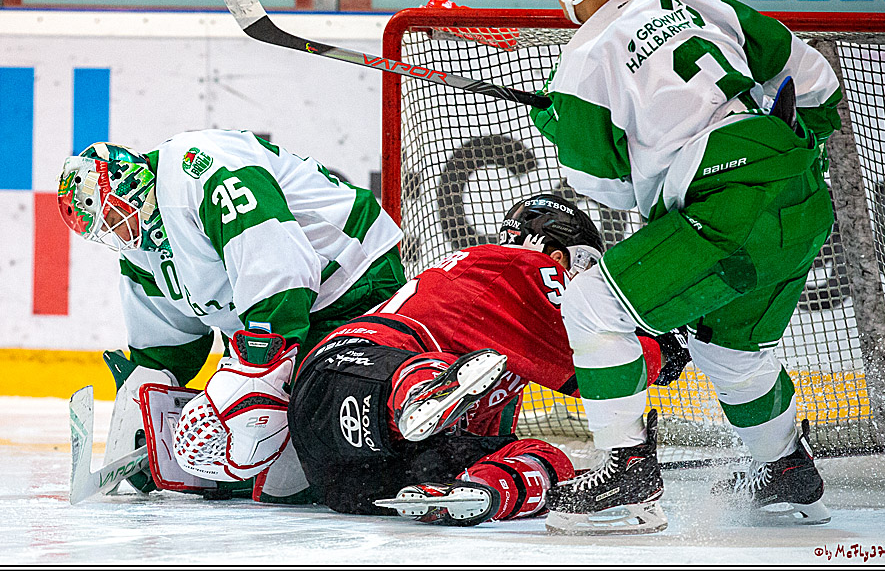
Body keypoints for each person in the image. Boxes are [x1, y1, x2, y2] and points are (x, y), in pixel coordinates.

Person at [528, 0, 840, 531]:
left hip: (726, 205)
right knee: (732, 353)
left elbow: (606, 189)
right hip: (800, 191)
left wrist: (555, 122)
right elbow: (816, 80)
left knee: (591, 302)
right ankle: (785, 471)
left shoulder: (587, 56)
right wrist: (792, 149)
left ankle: (628, 478)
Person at [284, 194, 687, 529]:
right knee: (431, 367)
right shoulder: (522, 267)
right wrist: (671, 344)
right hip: (350, 373)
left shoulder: (504, 330)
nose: (582, 281)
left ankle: (481, 493)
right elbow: (594, 360)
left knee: (547, 458)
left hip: (350, 476)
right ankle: (422, 393)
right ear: (559, 253)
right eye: (584, 266)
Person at [56, 129, 406, 498]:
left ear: (134, 183)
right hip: (281, 316)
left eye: (114, 214)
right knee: (270, 475)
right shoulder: (139, 242)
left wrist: (259, 365)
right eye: (103, 230)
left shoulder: (202, 170)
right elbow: (167, 344)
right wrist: (145, 409)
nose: (117, 233)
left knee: (300, 474)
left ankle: (429, 434)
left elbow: (279, 268)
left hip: (352, 284)